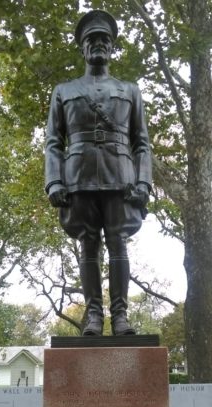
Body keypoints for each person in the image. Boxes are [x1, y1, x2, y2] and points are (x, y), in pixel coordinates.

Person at [45, 9, 152, 336]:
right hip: (78, 176)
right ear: (82, 47)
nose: (98, 45)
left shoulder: (130, 90)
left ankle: (121, 317)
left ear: (112, 47)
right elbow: (53, 141)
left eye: (104, 40)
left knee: (118, 243)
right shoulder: (63, 90)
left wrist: (144, 181)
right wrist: (54, 181)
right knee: (88, 245)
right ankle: (93, 316)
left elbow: (142, 142)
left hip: (120, 175)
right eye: (92, 40)